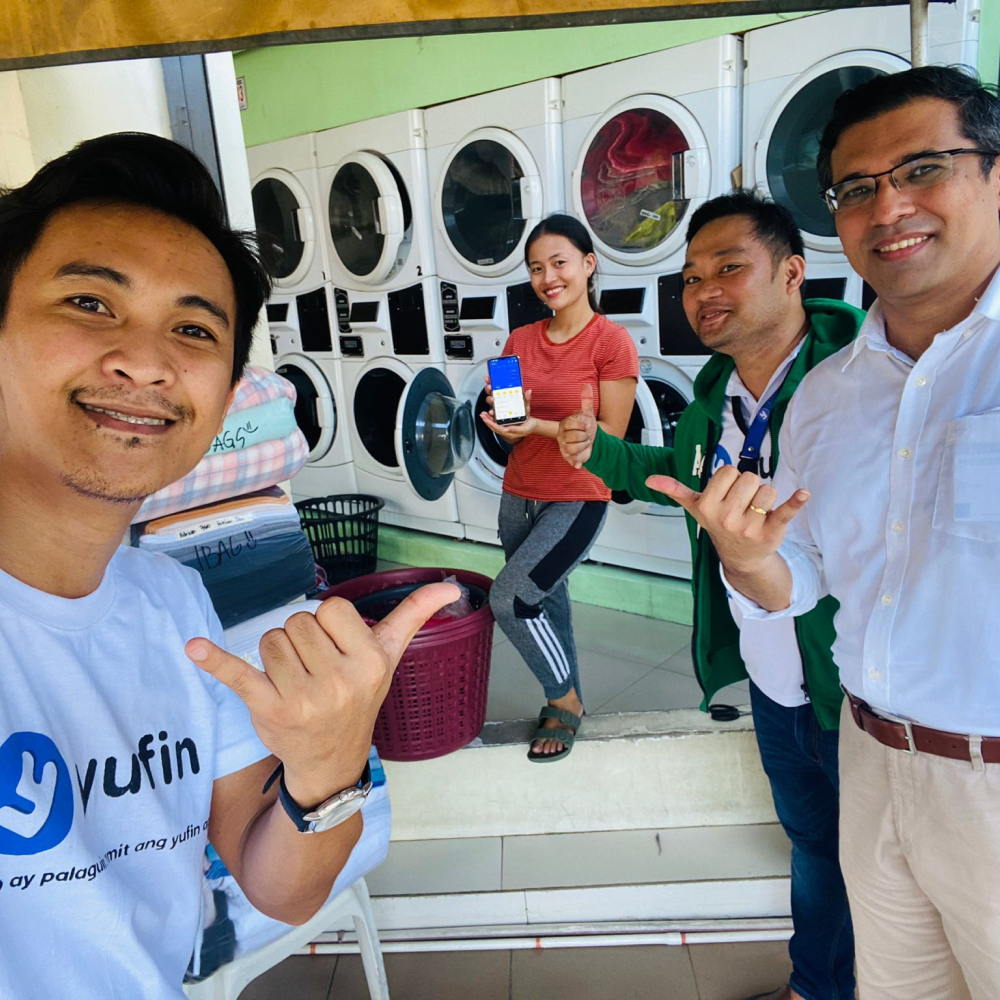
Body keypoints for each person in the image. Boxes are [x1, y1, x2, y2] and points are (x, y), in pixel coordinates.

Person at [0, 132, 456, 999]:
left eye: (192, 328)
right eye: (91, 304)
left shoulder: (171, 604)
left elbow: (279, 886)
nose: (148, 360)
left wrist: (328, 767)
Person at [650, 67, 1000, 999]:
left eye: (924, 168)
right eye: (855, 189)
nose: (888, 207)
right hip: (865, 740)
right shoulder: (827, 398)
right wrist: (747, 557)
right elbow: (796, 574)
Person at [558, 191, 863, 1000]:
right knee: (812, 843)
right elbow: (675, 483)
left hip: (855, 685)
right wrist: (602, 452)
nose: (705, 292)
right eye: (692, 276)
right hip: (774, 682)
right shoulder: (714, 399)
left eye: (730, 267)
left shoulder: (858, 382)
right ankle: (817, 985)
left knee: (874, 857)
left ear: (793, 273)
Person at [480, 214, 637, 762]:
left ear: (588, 265)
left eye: (560, 263)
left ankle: (563, 699)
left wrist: (539, 427)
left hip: (578, 494)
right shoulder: (521, 338)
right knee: (547, 594)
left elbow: (612, 437)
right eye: (536, 268)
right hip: (519, 493)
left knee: (513, 597)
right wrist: (501, 414)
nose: (548, 277)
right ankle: (569, 697)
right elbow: (511, 416)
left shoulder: (612, 342)